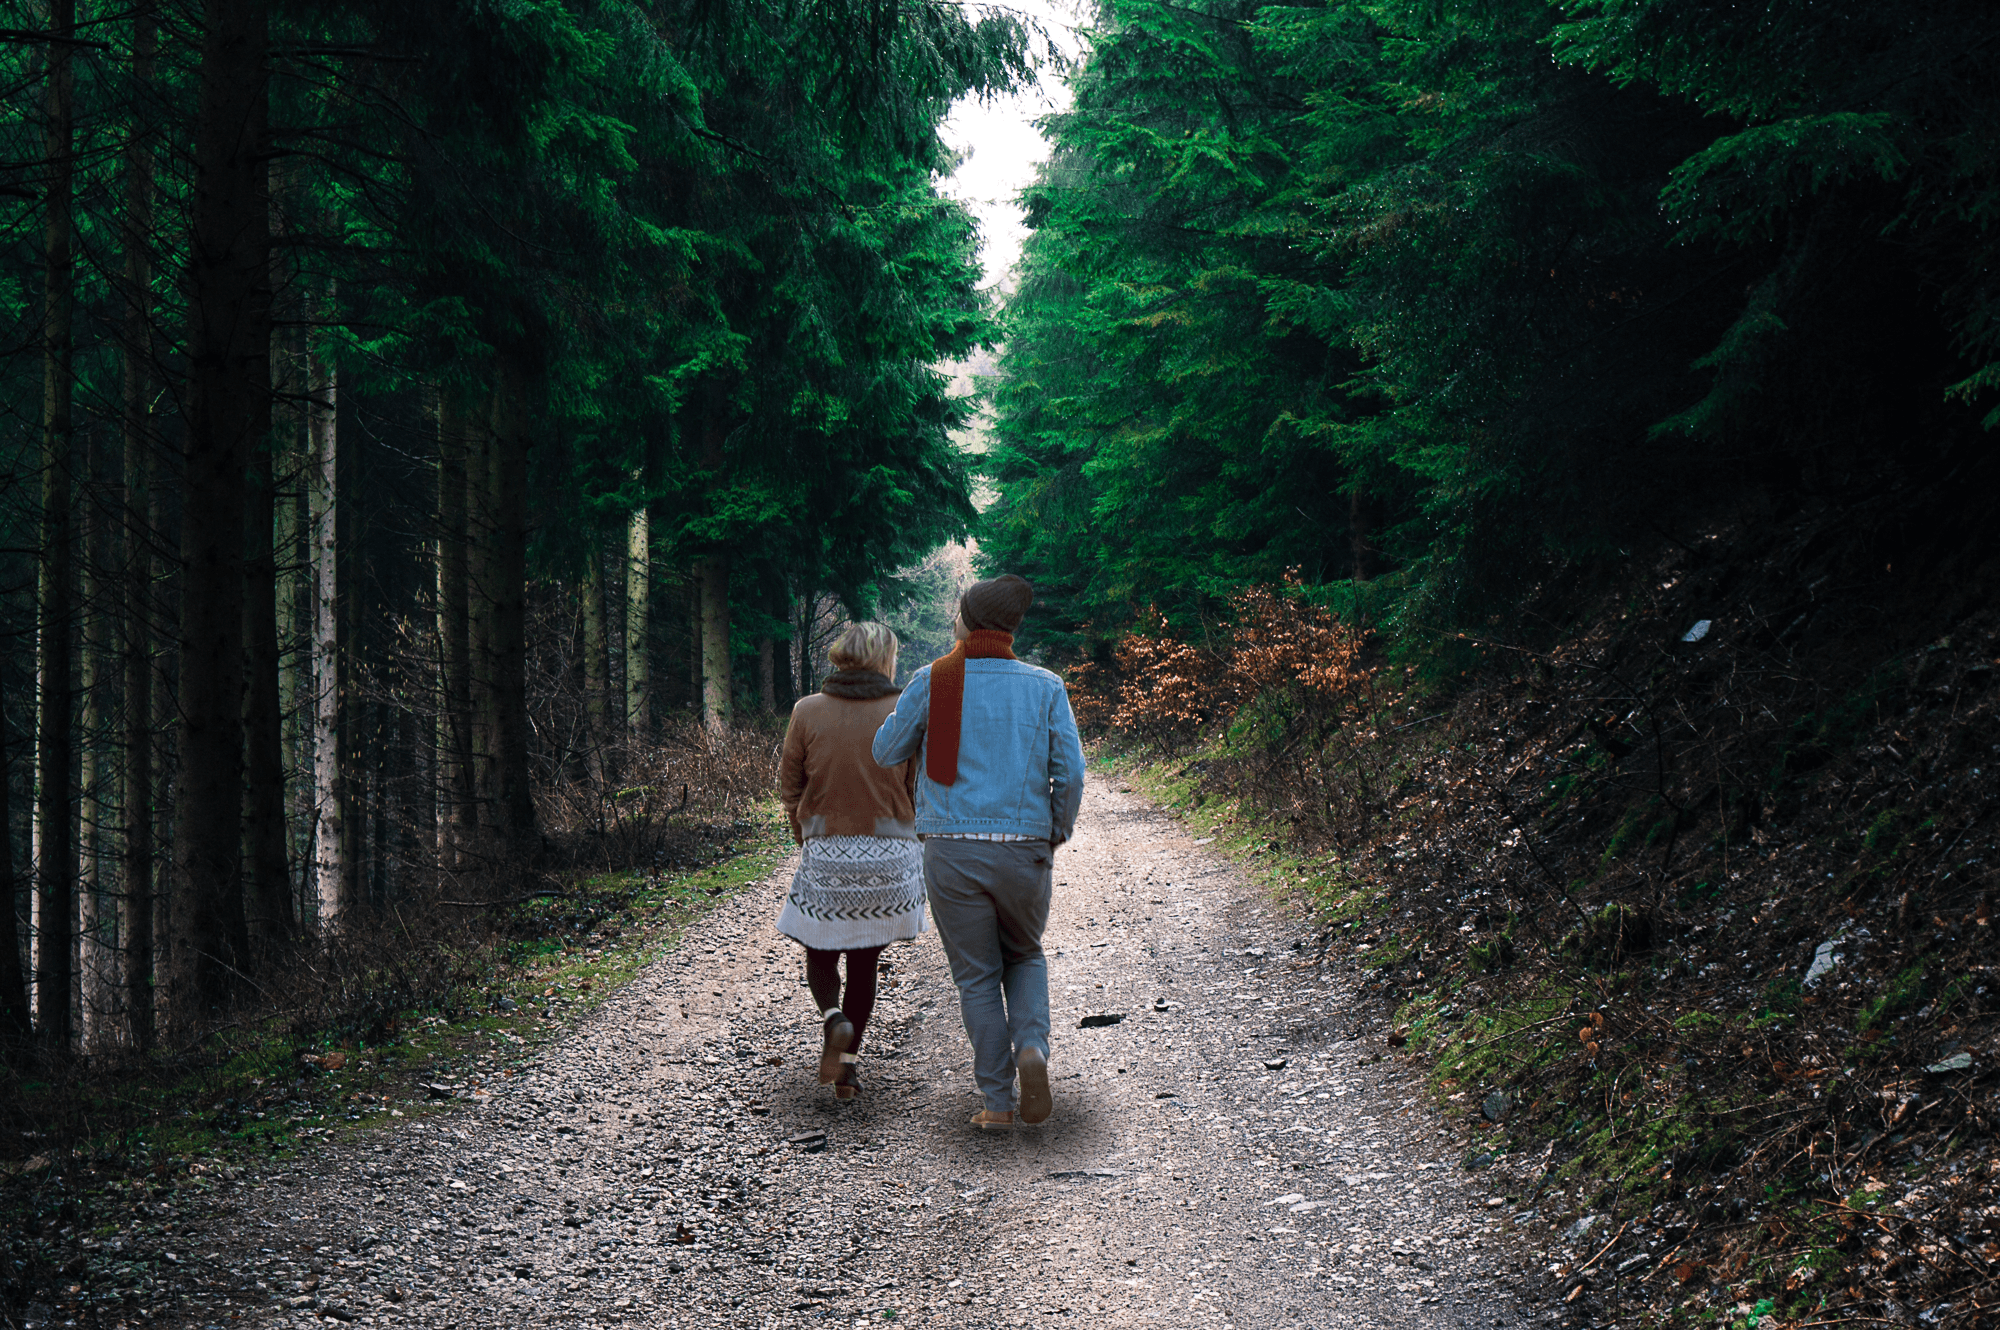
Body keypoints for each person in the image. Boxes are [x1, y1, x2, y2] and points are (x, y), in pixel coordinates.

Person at [873, 574, 1085, 1129]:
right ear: (1011, 627)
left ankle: (997, 1103)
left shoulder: (936, 678)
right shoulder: (1046, 686)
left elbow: (886, 749)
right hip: (1024, 849)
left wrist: (918, 702)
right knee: (1025, 954)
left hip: (952, 850)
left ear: (967, 620)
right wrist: (1054, 830)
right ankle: (1032, 1048)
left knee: (975, 976)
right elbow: (1072, 771)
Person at [776, 622, 927, 1101]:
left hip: (828, 851)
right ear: (886, 659)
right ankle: (847, 1071)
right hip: (889, 857)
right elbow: (916, 789)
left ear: (840, 655)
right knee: (864, 964)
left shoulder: (807, 710)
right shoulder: (903, 711)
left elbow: (789, 785)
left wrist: (805, 834)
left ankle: (831, 1019)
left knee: (819, 950)